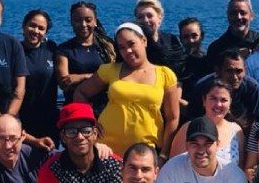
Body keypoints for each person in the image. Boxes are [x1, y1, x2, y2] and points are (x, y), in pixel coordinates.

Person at [74, 22, 181, 160]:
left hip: (144, 153)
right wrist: (90, 123)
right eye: (122, 48)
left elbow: (172, 118)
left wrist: (164, 154)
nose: (128, 51)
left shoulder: (165, 74)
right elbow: (80, 93)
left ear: (144, 41)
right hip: (105, 151)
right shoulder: (110, 70)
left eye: (131, 44)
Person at [55, 1, 116, 113]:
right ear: (72, 22)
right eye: (78, 20)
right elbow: (64, 82)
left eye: (88, 20)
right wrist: (100, 78)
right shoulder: (64, 49)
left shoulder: (108, 47)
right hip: (76, 109)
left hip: (107, 109)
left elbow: (116, 76)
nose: (83, 24)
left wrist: (79, 77)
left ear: (95, 21)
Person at [169, 79, 245, 168]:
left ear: (230, 103)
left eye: (224, 100)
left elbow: (240, 169)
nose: (218, 104)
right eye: (213, 99)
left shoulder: (236, 131)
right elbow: (173, 166)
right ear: (204, 101)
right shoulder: (188, 128)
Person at [187, 49, 259, 132]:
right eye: (229, 71)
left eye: (239, 71)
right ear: (218, 71)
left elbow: (253, 118)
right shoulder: (202, 87)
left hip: (240, 131)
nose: (235, 77)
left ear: (245, 70)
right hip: (207, 130)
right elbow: (193, 116)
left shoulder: (252, 88)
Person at [19, 9, 59, 144]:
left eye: (41, 28)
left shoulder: (52, 49)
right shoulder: (15, 50)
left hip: (49, 121)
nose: (36, 31)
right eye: (32, 25)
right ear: (23, 26)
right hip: (22, 120)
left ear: (46, 32)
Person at [204, 0, 259, 69]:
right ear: (227, 16)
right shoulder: (216, 48)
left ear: (251, 16)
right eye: (233, 13)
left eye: (243, 13)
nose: (238, 17)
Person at [134, 0, 186, 77]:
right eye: (140, 17)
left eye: (149, 16)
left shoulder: (171, 40)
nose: (145, 20)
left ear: (160, 18)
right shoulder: (132, 44)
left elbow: (180, 71)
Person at [177, 17, 212, 116]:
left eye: (194, 36)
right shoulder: (176, 62)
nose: (190, 40)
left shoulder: (210, 60)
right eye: (186, 37)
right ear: (180, 38)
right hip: (183, 113)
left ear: (202, 36)